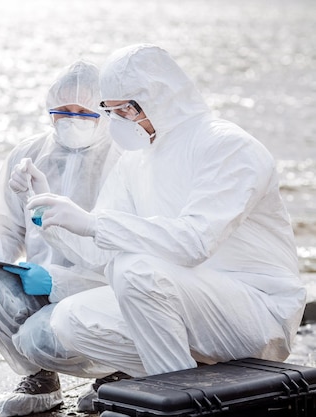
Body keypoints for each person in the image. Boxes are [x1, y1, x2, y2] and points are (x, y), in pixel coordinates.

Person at [26, 44, 307, 378]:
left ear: (159, 98)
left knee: (135, 269)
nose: (117, 121)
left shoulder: (227, 145)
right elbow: (99, 251)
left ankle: (176, 400)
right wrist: (49, 214)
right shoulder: (136, 159)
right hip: (182, 299)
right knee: (71, 319)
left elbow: (193, 243)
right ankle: (170, 386)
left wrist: (93, 223)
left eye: (125, 110)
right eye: (111, 110)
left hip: (257, 309)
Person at [0, 60, 124, 416]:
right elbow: (4, 225)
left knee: (43, 334)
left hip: (102, 291)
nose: (72, 119)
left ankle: (119, 373)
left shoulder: (124, 158)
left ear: (105, 111)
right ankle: (41, 380)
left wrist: (61, 281)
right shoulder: (28, 155)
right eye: (62, 111)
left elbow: (121, 251)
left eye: (84, 111)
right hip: (39, 287)